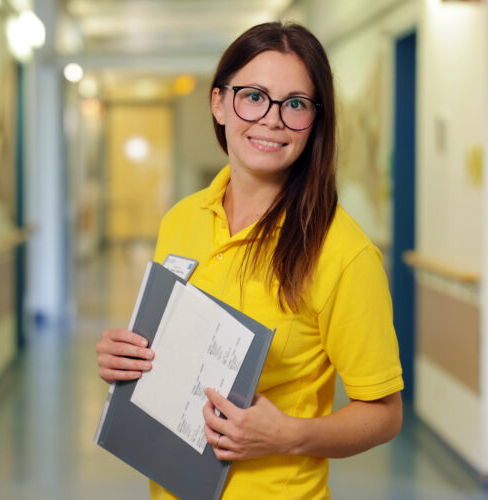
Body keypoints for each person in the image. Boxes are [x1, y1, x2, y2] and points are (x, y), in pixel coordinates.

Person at [96, 21, 403, 500]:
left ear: (315, 121)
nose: (272, 119)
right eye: (254, 96)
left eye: (295, 104)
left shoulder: (343, 252)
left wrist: (289, 435)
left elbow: (384, 413)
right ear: (219, 103)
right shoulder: (181, 220)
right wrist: (126, 358)